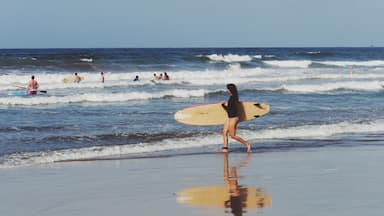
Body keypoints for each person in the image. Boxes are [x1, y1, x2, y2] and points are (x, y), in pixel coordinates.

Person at [221, 83, 251, 153]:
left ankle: (247, 144)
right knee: (224, 132)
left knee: (232, 136)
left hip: (233, 118)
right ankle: (225, 148)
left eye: (227, 89)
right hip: (229, 117)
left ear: (230, 90)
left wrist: (223, 105)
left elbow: (229, 109)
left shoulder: (232, 98)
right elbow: (231, 109)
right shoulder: (234, 97)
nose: (227, 90)